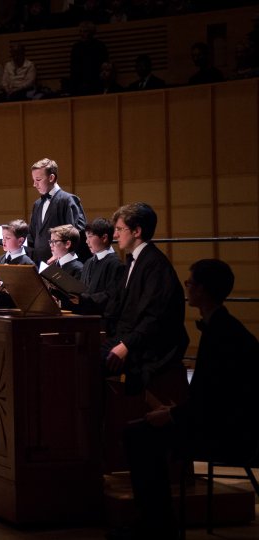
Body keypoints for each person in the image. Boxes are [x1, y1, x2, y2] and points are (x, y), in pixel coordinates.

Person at [118, 259, 259, 540]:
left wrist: (172, 415)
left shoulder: (222, 334)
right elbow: (212, 396)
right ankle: (156, 523)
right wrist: (176, 411)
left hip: (229, 432)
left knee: (139, 436)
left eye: (191, 283)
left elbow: (217, 402)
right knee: (142, 431)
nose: (187, 287)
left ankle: (157, 526)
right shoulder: (222, 326)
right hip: (220, 421)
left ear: (203, 290)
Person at [104, 203, 188, 400]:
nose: (115, 236)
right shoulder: (135, 260)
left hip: (149, 350)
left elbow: (154, 317)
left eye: (119, 229)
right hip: (131, 339)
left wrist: (125, 346)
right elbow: (114, 301)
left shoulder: (155, 265)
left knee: (87, 366)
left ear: (137, 231)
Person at [27, 158, 86, 264]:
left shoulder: (68, 200)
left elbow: (77, 232)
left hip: (61, 264)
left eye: (38, 180)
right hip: (39, 264)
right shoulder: (37, 204)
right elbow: (32, 235)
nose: (34, 185)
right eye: (34, 180)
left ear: (51, 177)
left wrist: (61, 256)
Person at [68, 217, 123, 316]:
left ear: (104, 238)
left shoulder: (116, 264)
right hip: (85, 317)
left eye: (90, 236)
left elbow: (111, 296)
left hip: (101, 320)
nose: (86, 241)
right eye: (86, 237)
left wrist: (84, 299)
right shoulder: (88, 262)